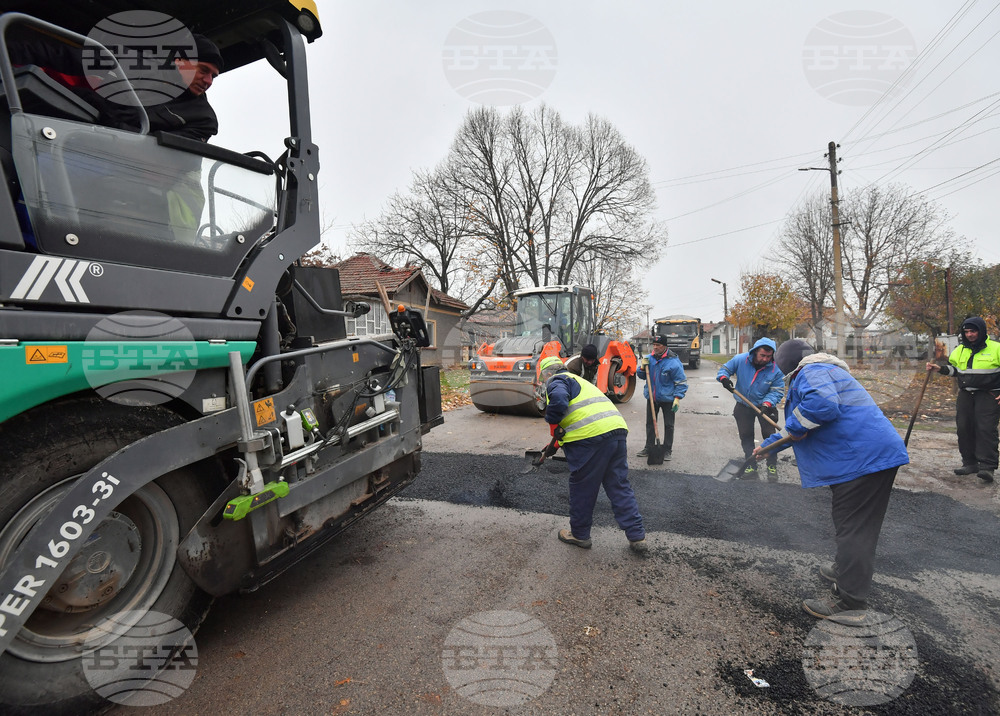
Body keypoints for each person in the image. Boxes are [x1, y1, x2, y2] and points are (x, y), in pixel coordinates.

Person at [754, 339, 909, 624]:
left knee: (854, 528)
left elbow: (822, 406)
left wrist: (795, 427)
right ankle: (845, 570)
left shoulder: (811, 372)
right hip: (864, 456)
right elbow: (802, 426)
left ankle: (850, 601)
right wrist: (769, 445)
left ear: (789, 366)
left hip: (861, 459)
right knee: (852, 523)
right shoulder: (828, 370)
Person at [538, 356, 647, 554]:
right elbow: (578, 414)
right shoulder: (581, 382)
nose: (544, 380)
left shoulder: (558, 380)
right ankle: (637, 536)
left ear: (548, 373)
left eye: (543, 377)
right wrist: (555, 443)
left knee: (583, 488)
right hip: (617, 432)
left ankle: (580, 535)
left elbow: (559, 400)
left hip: (591, 439)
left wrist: (551, 420)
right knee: (619, 486)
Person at [926, 316, 1000, 483]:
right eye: (966, 332)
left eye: (973, 331)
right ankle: (970, 463)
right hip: (966, 395)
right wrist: (939, 369)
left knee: (985, 429)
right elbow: (956, 370)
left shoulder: (997, 348)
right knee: (964, 428)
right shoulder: (959, 350)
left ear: (981, 331)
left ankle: (987, 467)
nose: (969, 334)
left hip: (988, 394)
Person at [716, 337, 785, 480]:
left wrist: (767, 404)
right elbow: (725, 369)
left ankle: (771, 466)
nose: (765, 359)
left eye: (768, 356)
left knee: (770, 436)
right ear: (755, 352)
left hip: (766, 406)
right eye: (762, 355)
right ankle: (751, 465)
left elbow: (777, 390)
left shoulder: (776, 368)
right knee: (746, 435)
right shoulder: (741, 360)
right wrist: (724, 379)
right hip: (743, 404)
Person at [635, 335, 687, 460]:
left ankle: (667, 449)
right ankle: (649, 447)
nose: (655, 347)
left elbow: (681, 382)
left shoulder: (673, 362)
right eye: (654, 345)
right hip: (652, 397)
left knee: (669, 425)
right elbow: (642, 375)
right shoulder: (649, 359)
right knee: (650, 424)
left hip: (668, 398)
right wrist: (641, 368)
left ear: (664, 346)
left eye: (658, 345)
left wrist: (677, 398)